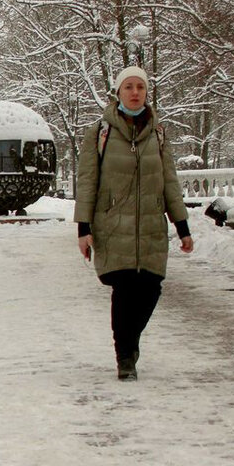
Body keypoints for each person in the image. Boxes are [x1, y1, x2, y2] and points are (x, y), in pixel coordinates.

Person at [75, 66, 193, 381]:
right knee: (125, 290)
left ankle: (131, 342)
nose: (135, 92)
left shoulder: (158, 133)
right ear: (119, 92)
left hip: (151, 225)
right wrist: (83, 228)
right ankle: (125, 356)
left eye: (140, 86)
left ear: (146, 92)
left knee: (151, 289)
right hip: (112, 223)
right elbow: (87, 182)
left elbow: (170, 182)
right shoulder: (100, 133)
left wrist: (182, 226)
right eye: (129, 86)